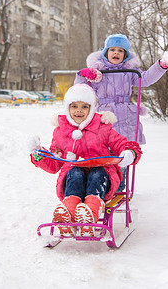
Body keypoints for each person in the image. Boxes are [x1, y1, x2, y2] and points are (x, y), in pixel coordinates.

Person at [28, 84, 142, 237]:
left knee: (96, 172)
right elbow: (55, 163)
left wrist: (129, 152)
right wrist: (38, 154)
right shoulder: (61, 132)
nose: (79, 110)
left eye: (84, 106)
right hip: (72, 180)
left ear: (91, 108)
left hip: (102, 179)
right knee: (75, 172)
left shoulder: (103, 127)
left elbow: (120, 143)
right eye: (74, 106)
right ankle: (68, 215)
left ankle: (90, 215)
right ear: (67, 108)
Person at [74, 33, 168, 145]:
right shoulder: (98, 72)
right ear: (106, 53)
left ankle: (127, 159)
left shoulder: (130, 71)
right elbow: (80, 91)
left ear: (125, 55)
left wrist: (162, 65)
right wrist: (82, 76)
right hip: (106, 114)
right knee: (106, 146)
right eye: (112, 49)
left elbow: (145, 79)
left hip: (127, 115)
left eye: (120, 51)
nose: (116, 52)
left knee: (127, 148)